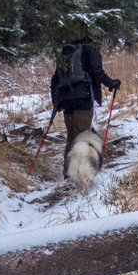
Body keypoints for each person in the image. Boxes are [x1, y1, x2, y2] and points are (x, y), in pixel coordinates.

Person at [49, 37, 121, 179]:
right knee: (82, 134)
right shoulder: (90, 51)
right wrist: (111, 83)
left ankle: (68, 172)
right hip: (83, 96)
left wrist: (56, 102)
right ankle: (80, 174)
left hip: (65, 99)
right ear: (91, 41)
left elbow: (55, 79)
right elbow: (96, 71)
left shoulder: (66, 52)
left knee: (72, 135)